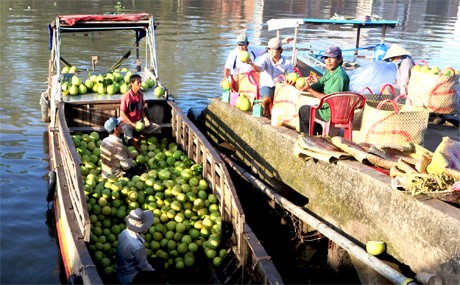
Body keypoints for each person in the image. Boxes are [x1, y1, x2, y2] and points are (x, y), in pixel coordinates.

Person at [297, 46, 350, 134]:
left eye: (331, 58)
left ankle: (308, 138)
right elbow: (318, 86)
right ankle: (316, 135)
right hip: (327, 109)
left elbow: (330, 99)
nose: (328, 61)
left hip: (331, 113)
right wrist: (304, 85)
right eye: (326, 58)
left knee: (304, 111)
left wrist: (309, 89)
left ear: (340, 59)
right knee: (308, 109)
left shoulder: (339, 77)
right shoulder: (329, 72)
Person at [224, 34, 293, 91]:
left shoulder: (253, 50)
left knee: (257, 75)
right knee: (236, 77)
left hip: (250, 74)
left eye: (243, 45)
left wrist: (282, 42)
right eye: (239, 45)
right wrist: (226, 79)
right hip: (238, 75)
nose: (241, 48)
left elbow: (268, 48)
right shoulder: (233, 54)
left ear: (247, 44)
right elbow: (227, 69)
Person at [247, 37, 294, 116]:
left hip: (280, 86)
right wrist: (251, 64)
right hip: (266, 85)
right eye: (269, 49)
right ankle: (266, 110)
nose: (271, 51)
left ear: (280, 50)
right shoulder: (265, 58)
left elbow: (291, 75)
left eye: (273, 49)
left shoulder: (287, 62)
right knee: (267, 98)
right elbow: (259, 69)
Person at [116, 208, 161, 284]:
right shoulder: (138, 246)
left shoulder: (123, 233)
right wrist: (157, 275)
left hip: (120, 269)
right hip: (130, 277)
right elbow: (143, 267)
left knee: (159, 261)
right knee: (156, 275)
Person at [120, 74, 161, 153]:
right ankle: (138, 149)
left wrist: (145, 119)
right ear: (132, 84)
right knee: (128, 138)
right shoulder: (126, 96)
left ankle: (139, 137)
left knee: (157, 128)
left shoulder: (141, 95)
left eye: (140, 82)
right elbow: (122, 113)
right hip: (127, 123)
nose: (140, 84)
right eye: (138, 82)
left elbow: (141, 109)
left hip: (139, 121)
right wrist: (132, 124)